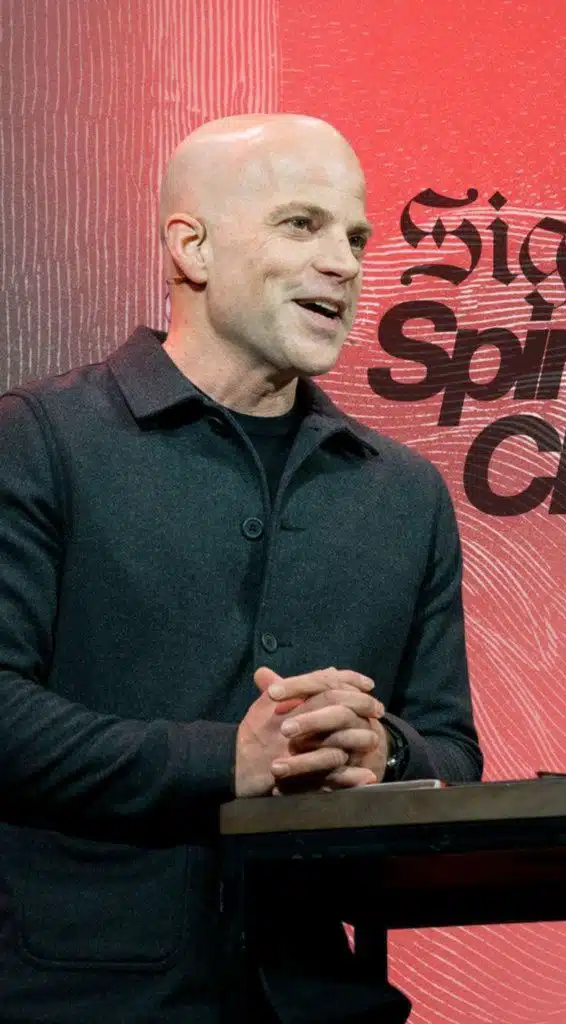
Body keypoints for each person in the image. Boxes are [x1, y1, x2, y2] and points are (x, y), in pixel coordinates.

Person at [0, 113, 483, 1023]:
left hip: (313, 998)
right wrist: (227, 759)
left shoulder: (403, 493)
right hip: (79, 994)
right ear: (192, 246)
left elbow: (452, 751)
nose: (342, 264)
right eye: (302, 225)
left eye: (355, 238)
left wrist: (381, 753)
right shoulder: (39, 440)